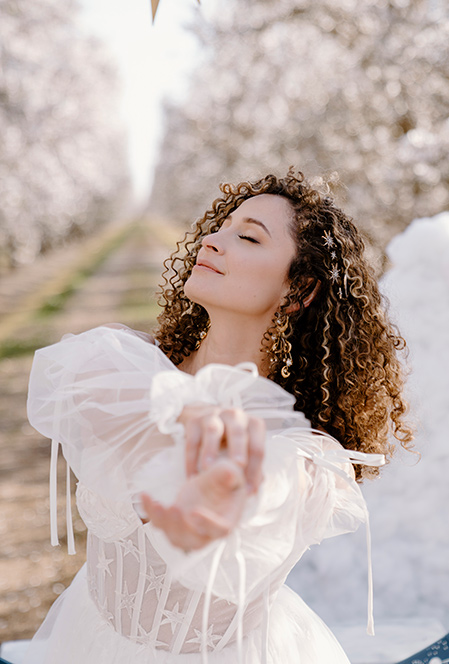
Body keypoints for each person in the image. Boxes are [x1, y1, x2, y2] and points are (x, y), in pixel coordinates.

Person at [24, 169, 414, 664]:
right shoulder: (117, 367)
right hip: (87, 638)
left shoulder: (304, 458)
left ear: (298, 291)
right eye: (222, 226)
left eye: (248, 236)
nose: (213, 240)